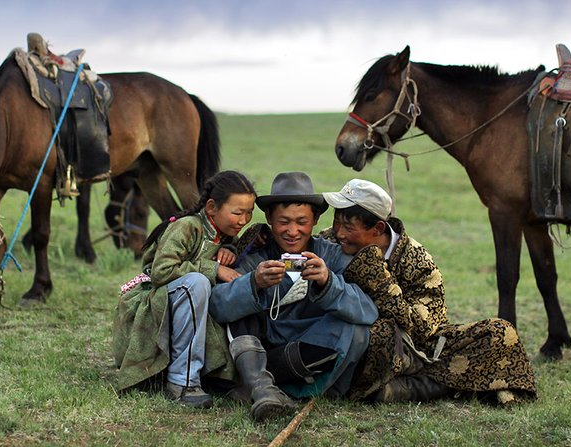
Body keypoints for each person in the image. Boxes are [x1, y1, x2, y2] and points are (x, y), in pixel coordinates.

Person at [320, 178, 537, 404]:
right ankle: (434, 387)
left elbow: (423, 329)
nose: (339, 233)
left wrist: (378, 279)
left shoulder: (417, 259)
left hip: (419, 349)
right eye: (336, 222)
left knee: (500, 332)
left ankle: (409, 388)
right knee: (372, 335)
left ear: (378, 228)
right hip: (365, 342)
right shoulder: (330, 240)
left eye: (348, 227)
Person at [209, 172, 379, 422]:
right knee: (240, 311)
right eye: (283, 222)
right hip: (262, 350)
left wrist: (328, 282)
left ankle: (280, 388)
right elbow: (217, 305)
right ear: (268, 218)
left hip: (308, 347)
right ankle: (261, 387)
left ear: (316, 219)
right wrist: (253, 283)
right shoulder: (257, 255)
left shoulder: (331, 256)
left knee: (356, 331)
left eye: (302, 221)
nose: (292, 231)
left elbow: (368, 311)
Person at [111, 170, 257, 409]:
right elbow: (161, 271)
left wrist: (229, 248)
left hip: (177, 300)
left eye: (249, 213)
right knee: (197, 283)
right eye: (237, 213)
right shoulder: (188, 227)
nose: (243, 220)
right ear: (211, 208)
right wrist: (213, 269)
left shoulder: (221, 233)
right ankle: (182, 382)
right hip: (152, 300)